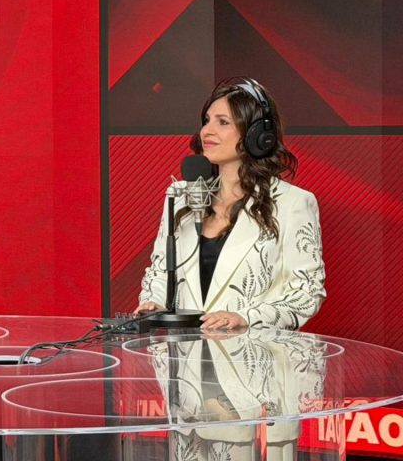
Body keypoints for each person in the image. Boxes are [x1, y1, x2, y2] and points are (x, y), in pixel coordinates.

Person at [136, 78, 326, 330]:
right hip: (184, 353)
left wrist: (245, 318)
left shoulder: (293, 203)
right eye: (206, 121)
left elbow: (307, 292)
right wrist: (153, 302)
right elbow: (160, 272)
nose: (206, 131)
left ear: (257, 135)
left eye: (223, 122)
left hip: (253, 352)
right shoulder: (180, 196)